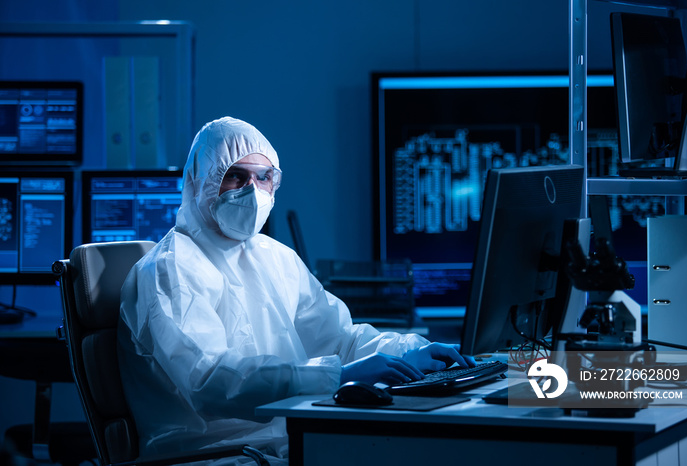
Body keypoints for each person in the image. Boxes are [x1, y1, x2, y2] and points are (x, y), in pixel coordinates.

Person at [118, 117, 471, 464]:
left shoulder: (275, 258)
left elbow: (341, 339)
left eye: (263, 177)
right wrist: (340, 377)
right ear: (199, 182)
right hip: (215, 456)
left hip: (288, 443)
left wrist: (412, 353)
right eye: (236, 177)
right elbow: (210, 382)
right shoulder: (170, 269)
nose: (252, 191)